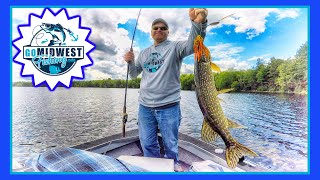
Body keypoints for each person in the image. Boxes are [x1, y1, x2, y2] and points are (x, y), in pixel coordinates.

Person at [123, 8, 208, 172]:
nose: (159, 30)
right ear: (151, 33)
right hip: (145, 107)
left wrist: (199, 22)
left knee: (170, 145)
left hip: (169, 107)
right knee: (147, 143)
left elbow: (194, 44)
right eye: (155, 28)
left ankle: (171, 168)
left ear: (168, 32)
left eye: (162, 28)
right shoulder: (144, 53)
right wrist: (130, 62)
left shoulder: (176, 48)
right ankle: (153, 169)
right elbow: (134, 75)